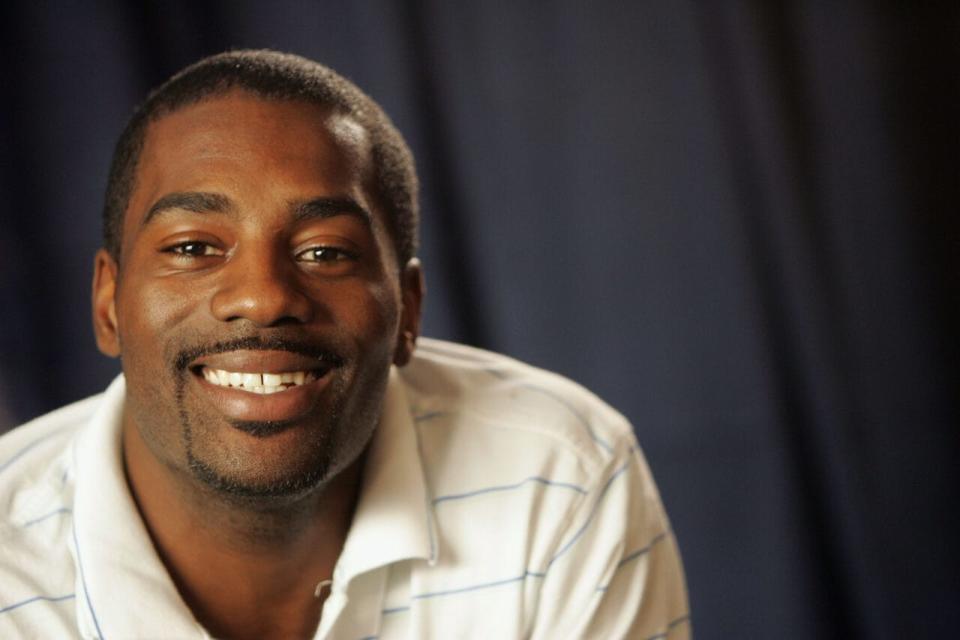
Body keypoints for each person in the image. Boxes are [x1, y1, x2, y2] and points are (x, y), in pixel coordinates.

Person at [0, 50, 689, 639]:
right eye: (192, 247)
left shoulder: (558, 478)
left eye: (326, 252)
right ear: (107, 304)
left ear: (409, 311)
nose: (263, 296)